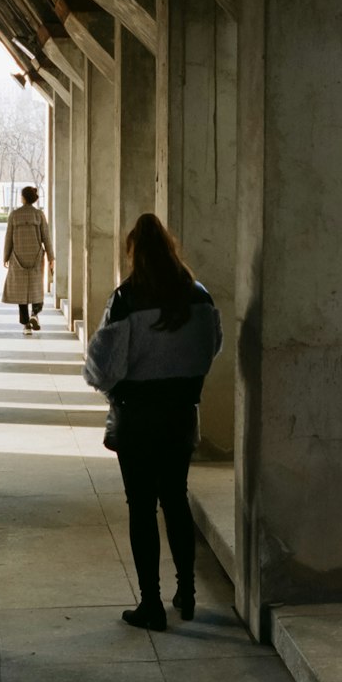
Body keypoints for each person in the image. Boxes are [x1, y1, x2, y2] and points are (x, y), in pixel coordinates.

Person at [84, 213, 222, 631]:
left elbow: (101, 365)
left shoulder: (127, 298)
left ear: (134, 252)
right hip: (181, 414)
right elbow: (211, 348)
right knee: (176, 500)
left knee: (141, 508)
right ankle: (187, 592)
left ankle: (151, 604)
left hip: (138, 417)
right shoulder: (198, 295)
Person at [2, 185, 55, 335]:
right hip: (36, 257)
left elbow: (9, 238)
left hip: (18, 257)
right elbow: (47, 238)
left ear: (23, 198)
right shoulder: (39, 215)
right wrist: (51, 257)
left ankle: (26, 325)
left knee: (21, 292)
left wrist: (5, 256)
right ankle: (35, 314)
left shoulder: (14, 215)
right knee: (36, 288)